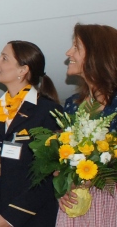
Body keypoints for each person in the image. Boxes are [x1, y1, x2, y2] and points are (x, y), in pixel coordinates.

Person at [0, 41, 61, 226]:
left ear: (23, 70)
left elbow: (48, 175)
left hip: (31, 218)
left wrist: (10, 218)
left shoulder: (49, 112)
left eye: (4, 58)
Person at [56, 24, 117, 227]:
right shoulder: (71, 105)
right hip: (76, 204)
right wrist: (62, 186)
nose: (68, 53)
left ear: (96, 54)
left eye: (76, 47)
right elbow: (58, 158)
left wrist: (96, 176)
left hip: (111, 201)